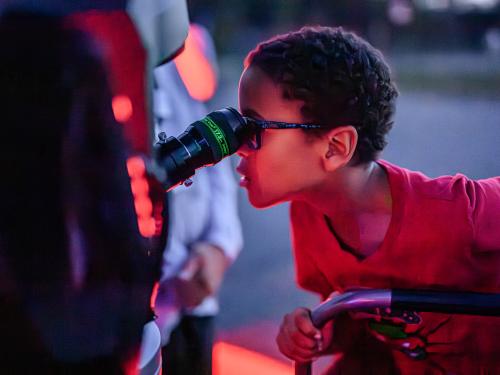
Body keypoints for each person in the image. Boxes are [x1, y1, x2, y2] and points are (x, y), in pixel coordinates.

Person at [236, 25, 500, 374]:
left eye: (254, 130)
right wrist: (318, 334)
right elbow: (356, 319)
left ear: (335, 148)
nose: (238, 145)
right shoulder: (309, 214)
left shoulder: (457, 211)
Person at [153, 24, 243, 375]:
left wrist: (220, 246)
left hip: (193, 302)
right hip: (123, 310)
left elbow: (210, 146)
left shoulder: (184, 36)